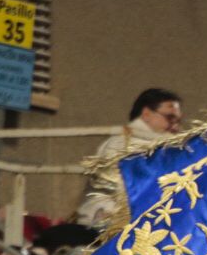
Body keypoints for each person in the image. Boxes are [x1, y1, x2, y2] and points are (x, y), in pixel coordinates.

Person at [73, 89, 185, 227]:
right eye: (170, 118)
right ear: (146, 114)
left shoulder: (170, 149)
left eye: (178, 121)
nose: (175, 126)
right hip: (110, 222)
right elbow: (110, 190)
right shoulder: (121, 145)